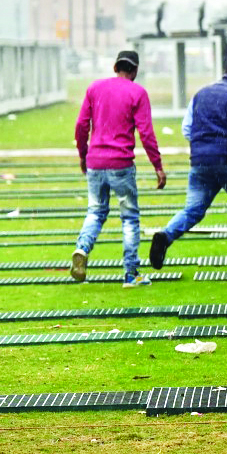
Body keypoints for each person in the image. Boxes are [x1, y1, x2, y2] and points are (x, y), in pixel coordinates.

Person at [149, 54, 227, 274]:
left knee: (193, 209)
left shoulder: (200, 94)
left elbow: (187, 128)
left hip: (200, 162)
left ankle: (166, 235)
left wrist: (204, 146)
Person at [72, 50, 167, 287]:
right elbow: (146, 133)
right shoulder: (138, 92)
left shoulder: (94, 89)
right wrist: (157, 165)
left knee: (95, 212)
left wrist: (83, 156)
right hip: (121, 164)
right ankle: (131, 273)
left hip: (95, 161)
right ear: (135, 70)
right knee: (129, 218)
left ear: (115, 67)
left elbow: (81, 125)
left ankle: (82, 248)